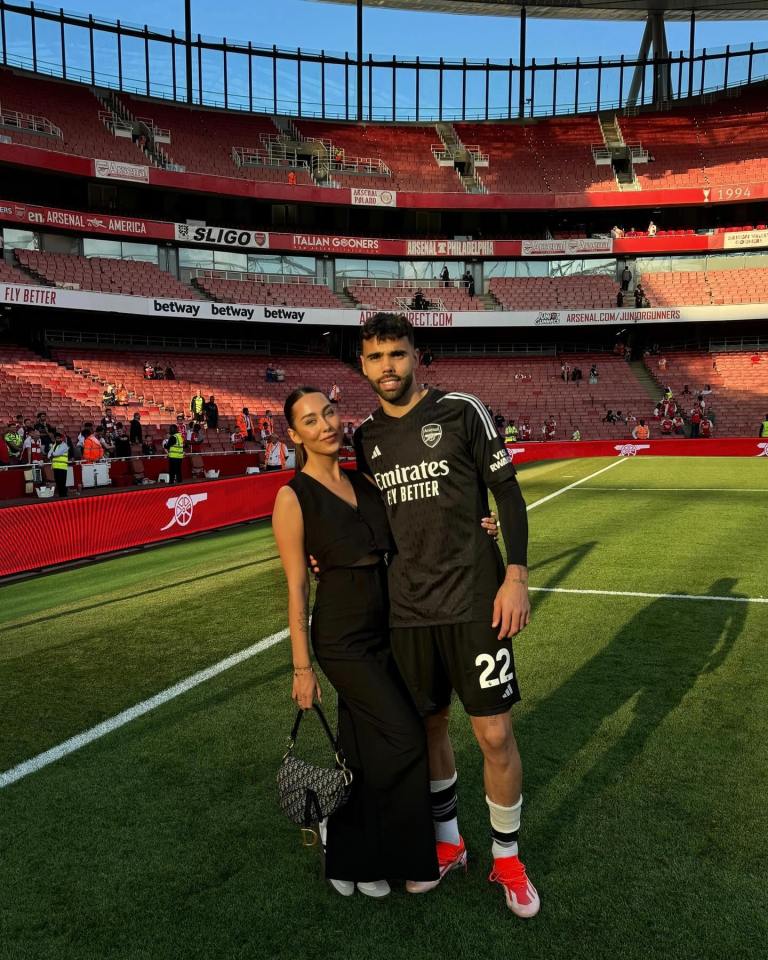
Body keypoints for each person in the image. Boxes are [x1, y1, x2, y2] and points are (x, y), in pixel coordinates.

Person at [352, 312, 539, 917]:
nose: (389, 367)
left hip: (474, 599)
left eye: (398, 354)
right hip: (408, 611)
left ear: (416, 356)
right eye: (377, 357)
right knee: (429, 728)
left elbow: (507, 493)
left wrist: (515, 574)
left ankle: (507, 859)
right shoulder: (364, 439)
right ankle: (450, 842)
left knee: (494, 732)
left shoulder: (461, 410)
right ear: (362, 364)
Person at [272, 387, 442, 897]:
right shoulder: (292, 496)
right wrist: (302, 671)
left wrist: (481, 524)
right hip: (341, 634)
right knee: (405, 736)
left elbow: (416, 527)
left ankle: (353, 856)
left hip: (388, 623)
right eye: (310, 420)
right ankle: (394, 853)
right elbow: (298, 588)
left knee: (363, 748)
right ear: (294, 434)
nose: (325, 425)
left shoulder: (364, 483)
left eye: (328, 412)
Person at [48, 431, 70, 497]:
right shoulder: (54, 445)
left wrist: (52, 454)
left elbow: (58, 453)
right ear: (55, 439)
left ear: (61, 438)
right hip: (55, 466)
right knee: (58, 481)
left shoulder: (64, 445)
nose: (58, 439)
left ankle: (64, 494)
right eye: (57, 438)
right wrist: (51, 455)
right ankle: (61, 495)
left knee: (62, 482)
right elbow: (48, 454)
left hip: (63, 466)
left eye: (59, 438)